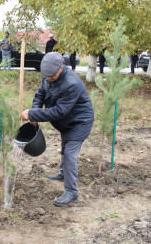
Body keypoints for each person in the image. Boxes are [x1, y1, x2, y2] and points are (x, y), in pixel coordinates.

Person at [20, 52, 94, 207]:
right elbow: (40, 95)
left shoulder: (71, 83)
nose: (48, 78)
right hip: (66, 122)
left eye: (51, 76)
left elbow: (59, 111)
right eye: (46, 76)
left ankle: (72, 192)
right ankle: (62, 174)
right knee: (65, 146)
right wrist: (35, 115)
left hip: (79, 122)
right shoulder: (48, 75)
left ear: (61, 68)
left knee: (69, 154)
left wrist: (32, 113)